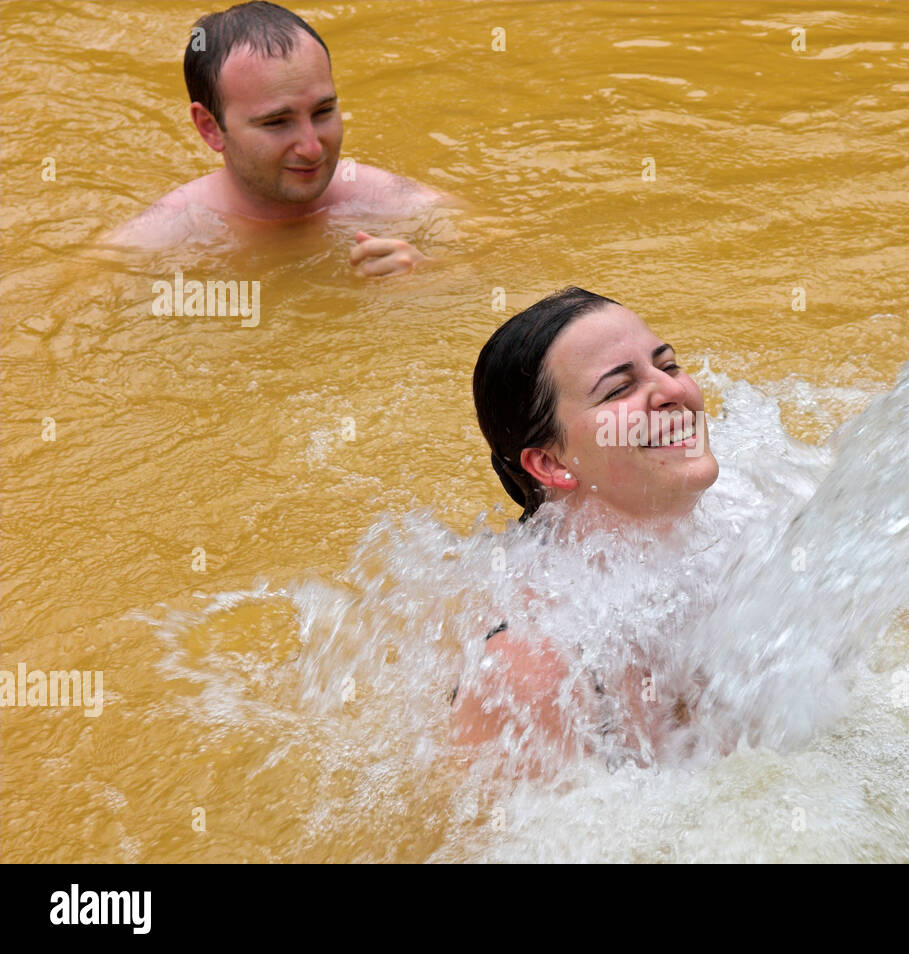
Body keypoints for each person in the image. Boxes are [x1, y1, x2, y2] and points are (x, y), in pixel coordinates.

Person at [451, 287, 720, 773]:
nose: (674, 392)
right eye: (618, 390)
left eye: (670, 365)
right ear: (551, 463)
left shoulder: (743, 533)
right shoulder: (533, 669)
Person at [106, 1, 442, 277]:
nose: (312, 149)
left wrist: (430, 276)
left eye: (323, 112)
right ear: (210, 127)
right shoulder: (155, 242)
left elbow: (487, 268)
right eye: (277, 122)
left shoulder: (393, 203)